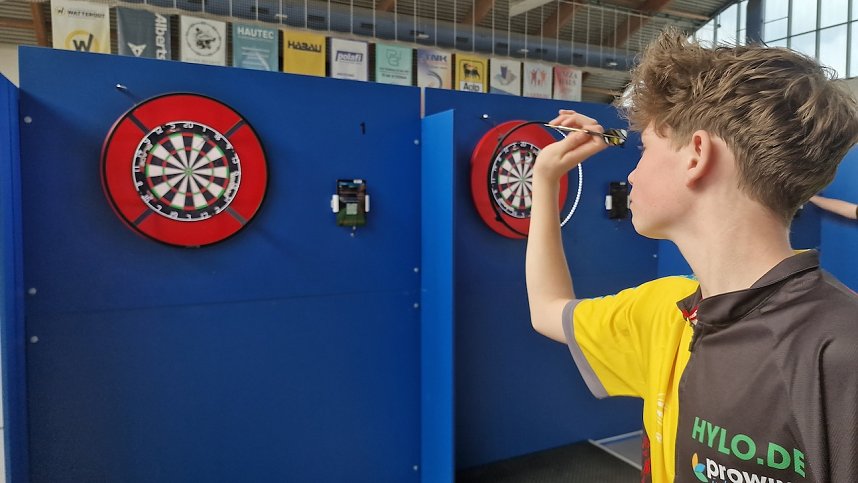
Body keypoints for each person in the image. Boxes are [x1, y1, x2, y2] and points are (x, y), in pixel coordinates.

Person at [525, 28, 858, 483]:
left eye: (644, 150)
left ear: (697, 155)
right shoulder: (665, 313)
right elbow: (547, 312)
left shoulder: (842, 353)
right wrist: (545, 181)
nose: (634, 172)